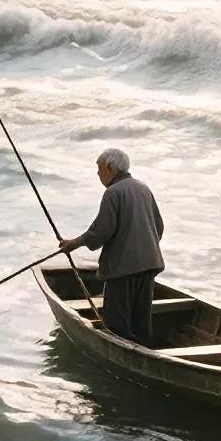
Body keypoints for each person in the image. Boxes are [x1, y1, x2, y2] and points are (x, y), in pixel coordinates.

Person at [60, 147, 165, 345]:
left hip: (123, 269)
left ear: (110, 167)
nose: (97, 173)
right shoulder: (143, 188)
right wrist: (144, 249)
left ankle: (127, 355)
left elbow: (101, 232)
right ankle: (144, 351)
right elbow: (158, 227)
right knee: (140, 319)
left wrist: (74, 244)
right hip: (149, 264)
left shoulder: (113, 192)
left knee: (118, 324)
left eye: (99, 168)